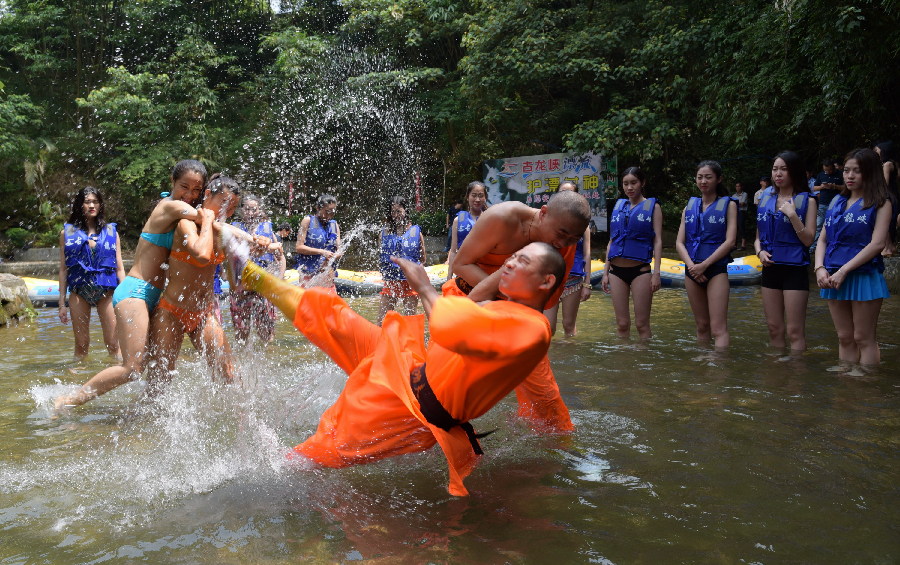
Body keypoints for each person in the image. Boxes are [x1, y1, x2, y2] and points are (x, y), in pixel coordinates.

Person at [221, 227, 566, 496]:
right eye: (513, 256)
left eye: (522, 262)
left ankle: (247, 479)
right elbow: (464, 314)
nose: (508, 262)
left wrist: (423, 287)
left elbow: (451, 329)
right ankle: (253, 275)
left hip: (407, 409)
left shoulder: (534, 330)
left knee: (318, 454)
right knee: (335, 319)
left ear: (546, 281)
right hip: (411, 366)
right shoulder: (506, 309)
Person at [54, 160, 207, 409]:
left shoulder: (182, 216)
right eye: (184, 186)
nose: (189, 194)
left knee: (160, 365)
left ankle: (146, 416)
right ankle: (68, 401)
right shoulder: (171, 205)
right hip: (136, 290)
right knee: (132, 368)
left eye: (196, 190)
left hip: (154, 296)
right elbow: (206, 217)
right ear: (172, 182)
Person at [443, 190, 591, 433]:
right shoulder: (502, 217)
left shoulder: (562, 246)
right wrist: (507, 285)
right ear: (543, 213)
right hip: (467, 297)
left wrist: (533, 336)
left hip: (517, 313)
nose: (563, 244)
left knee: (547, 401)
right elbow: (461, 263)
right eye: (561, 235)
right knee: (444, 388)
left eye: (572, 239)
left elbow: (543, 302)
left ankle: (555, 441)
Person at [146, 175, 247, 392]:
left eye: (233, 208)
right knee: (159, 382)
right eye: (224, 203)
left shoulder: (222, 231)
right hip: (172, 311)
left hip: (203, 314)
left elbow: (237, 271)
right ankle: (137, 422)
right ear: (208, 195)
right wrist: (209, 221)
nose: (227, 211)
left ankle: (241, 421)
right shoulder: (186, 223)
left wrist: (259, 245)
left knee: (230, 375)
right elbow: (201, 254)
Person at [815, 148, 891, 368]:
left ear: (870, 173)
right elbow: (822, 240)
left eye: (856, 171)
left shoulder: (881, 202)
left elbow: (877, 244)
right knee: (844, 337)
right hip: (832, 275)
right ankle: (846, 384)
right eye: (847, 170)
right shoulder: (836, 202)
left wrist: (844, 270)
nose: (849, 176)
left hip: (863, 274)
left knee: (863, 338)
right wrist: (819, 267)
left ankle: (866, 385)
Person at [754, 151, 817, 352]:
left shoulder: (809, 201)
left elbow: (808, 239)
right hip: (770, 267)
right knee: (774, 328)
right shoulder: (765, 198)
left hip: (795, 268)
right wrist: (759, 253)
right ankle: (777, 374)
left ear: (794, 172)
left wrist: (792, 215)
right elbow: (758, 238)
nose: (778, 174)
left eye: (783, 169)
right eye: (775, 169)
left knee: (794, 331)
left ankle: (796, 377)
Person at [57, 186, 126, 360]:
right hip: (79, 292)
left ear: (101, 205)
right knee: (81, 345)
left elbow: (119, 267)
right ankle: (78, 381)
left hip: (107, 292)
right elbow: (63, 269)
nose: (92, 205)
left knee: (113, 344)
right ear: (80, 205)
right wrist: (61, 304)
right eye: (87, 202)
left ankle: (120, 378)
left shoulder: (112, 232)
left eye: (95, 201)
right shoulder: (66, 233)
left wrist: (125, 297)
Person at [675, 160, 738, 349]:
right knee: (702, 326)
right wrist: (692, 266)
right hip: (692, 270)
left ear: (718, 179)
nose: (703, 181)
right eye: (700, 177)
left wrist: (704, 265)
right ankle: (703, 365)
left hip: (715, 270)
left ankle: (718, 368)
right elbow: (679, 242)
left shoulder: (729, 205)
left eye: (708, 177)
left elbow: (730, 242)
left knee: (718, 328)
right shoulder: (689, 207)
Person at [601, 167, 663, 340]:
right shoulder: (619, 206)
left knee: (642, 324)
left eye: (633, 183)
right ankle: (623, 362)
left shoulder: (653, 207)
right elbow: (612, 240)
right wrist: (605, 272)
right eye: (626, 183)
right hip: (616, 272)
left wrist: (656, 273)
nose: (629, 187)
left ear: (642, 183)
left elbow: (657, 241)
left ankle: (644, 364)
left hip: (640, 271)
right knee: (621, 324)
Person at [229, 193, 285, 344]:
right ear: (241, 210)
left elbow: (280, 256)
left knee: (266, 333)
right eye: (247, 209)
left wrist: (279, 278)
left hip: (263, 286)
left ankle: (268, 360)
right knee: (241, 332)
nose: (250, 213)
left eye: (254, 210)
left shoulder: (267, 228)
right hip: (241, 287)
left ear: (259, 211)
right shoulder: (235, 228)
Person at [544, 181, 593, 337]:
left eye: (570, 193)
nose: (566, 196)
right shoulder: (547, 220)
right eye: (562, 192)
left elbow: (587, 254)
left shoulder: (583, 226)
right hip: (551, 278)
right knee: (548, 326)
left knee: (569, 325)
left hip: (574, 277)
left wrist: (587, 284)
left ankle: (571, 356)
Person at [378, 195, 427, 323]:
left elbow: (423, 259)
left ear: (405, 211)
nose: (396, 215)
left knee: (410, 320)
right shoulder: (384, 233)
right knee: (381, 321)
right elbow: (381, 257)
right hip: (391, 282)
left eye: (399, 211)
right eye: (393, 211)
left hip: (410, 283)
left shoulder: (416, 233)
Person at [295, 194, 340, 291]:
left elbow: (338, 249)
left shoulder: (334, 224)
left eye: (333, 212)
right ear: (318, 208)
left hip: (328, 277)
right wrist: (321, 252)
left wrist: (337, 255)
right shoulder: (307, 221)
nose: (330, 215)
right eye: (327, 212)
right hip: (309, 276)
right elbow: (299, 247)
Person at [447, 183, 487, 279]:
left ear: (485, 198)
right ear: (467, 197)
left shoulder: (490, 219)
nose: (477, 199)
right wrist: (449, 276)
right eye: (474, 195)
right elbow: (453, 251)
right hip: (463, 272)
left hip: (485, 271)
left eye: (481, 196)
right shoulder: (458, 221)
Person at [811, 158, 845, 253]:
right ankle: (814, 246)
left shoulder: (840, 174)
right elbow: (814, 187)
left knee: (836, 224)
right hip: (823, 203)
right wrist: (822, 186)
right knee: (819, 224)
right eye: (825, 170)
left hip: (836, 204)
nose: (827, 172)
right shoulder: (821, 175)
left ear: (833, 167)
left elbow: (846, 187)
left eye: (829, 170)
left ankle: (834, 245)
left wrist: (834, 186)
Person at [874, 141, 899, 256]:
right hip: (894, 195)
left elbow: (885, 183)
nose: (876, 151)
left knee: (886, 221)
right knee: (890, 221)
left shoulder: (886, 165)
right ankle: (891, 246)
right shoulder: (894, 164)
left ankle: (887, 248)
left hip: (887, 195)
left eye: (878, 149)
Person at [733, 181, 748, 250]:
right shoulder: (733, 195)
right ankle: (734, 245)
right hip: (735, 212)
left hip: (742, 212)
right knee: (735, 228)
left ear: (741, 187)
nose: (737, 188)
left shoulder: (744, 194)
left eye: (739, 186)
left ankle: (743, 245)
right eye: (736, 186)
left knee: (742, 227)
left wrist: (735, 204)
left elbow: (742, 204)